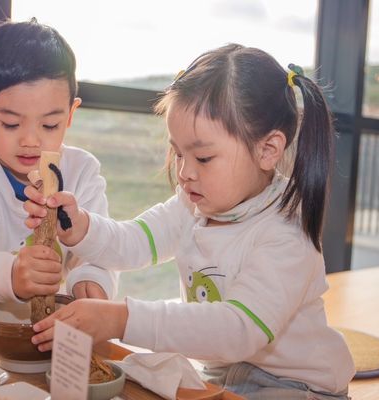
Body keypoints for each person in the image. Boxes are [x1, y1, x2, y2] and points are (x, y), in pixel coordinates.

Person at [25, 44, 354, 399]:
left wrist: (121, 319)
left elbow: (237, 329)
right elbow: (135, 240)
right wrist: (80, 226)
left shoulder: (287, 233)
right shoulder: (192, 205)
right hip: (222, 373)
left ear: (268, 150)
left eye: (203, 157)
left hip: (297, 387)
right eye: (179, 153)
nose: (184, 172)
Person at [0, 19, 117, 337]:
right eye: (11, 124)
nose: (31, 140)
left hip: (52, 316)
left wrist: (91, 281)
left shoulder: (82, 171)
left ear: (70, 114)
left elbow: (98, 249)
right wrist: (10, 274)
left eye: (50, 125)